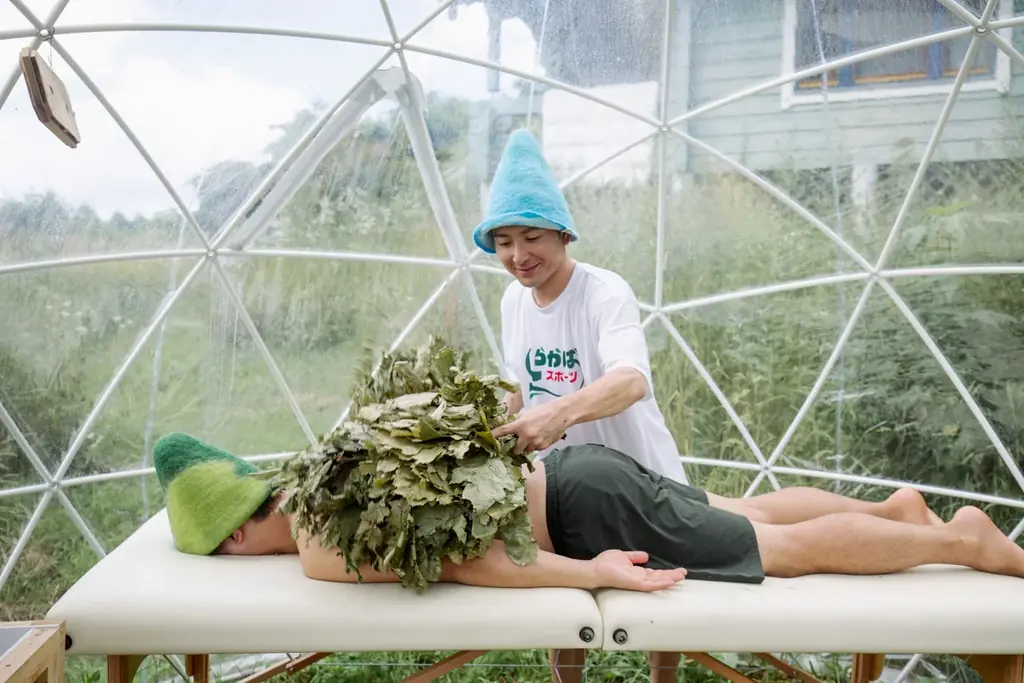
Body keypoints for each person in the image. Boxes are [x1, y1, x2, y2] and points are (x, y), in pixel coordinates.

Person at [154, 432, 1024, 590]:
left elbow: (467, 560)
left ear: (235, 530)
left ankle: (963, 542)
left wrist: (591, 570)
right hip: (576, 472)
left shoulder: (317, 541)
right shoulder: (326, 463)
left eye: (223, 553)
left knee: (774, 547)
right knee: (746, 503)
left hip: (581, 512)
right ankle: (899, 510)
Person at [471, 128, 688, 488]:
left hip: (643, 487)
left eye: (532, 237)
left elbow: (631, 381)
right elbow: (520, 385)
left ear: (564, 235)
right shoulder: (513, 300)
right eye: (504, 242)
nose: (518, 256)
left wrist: (559, 413)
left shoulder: (604, 293)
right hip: (570, 492)